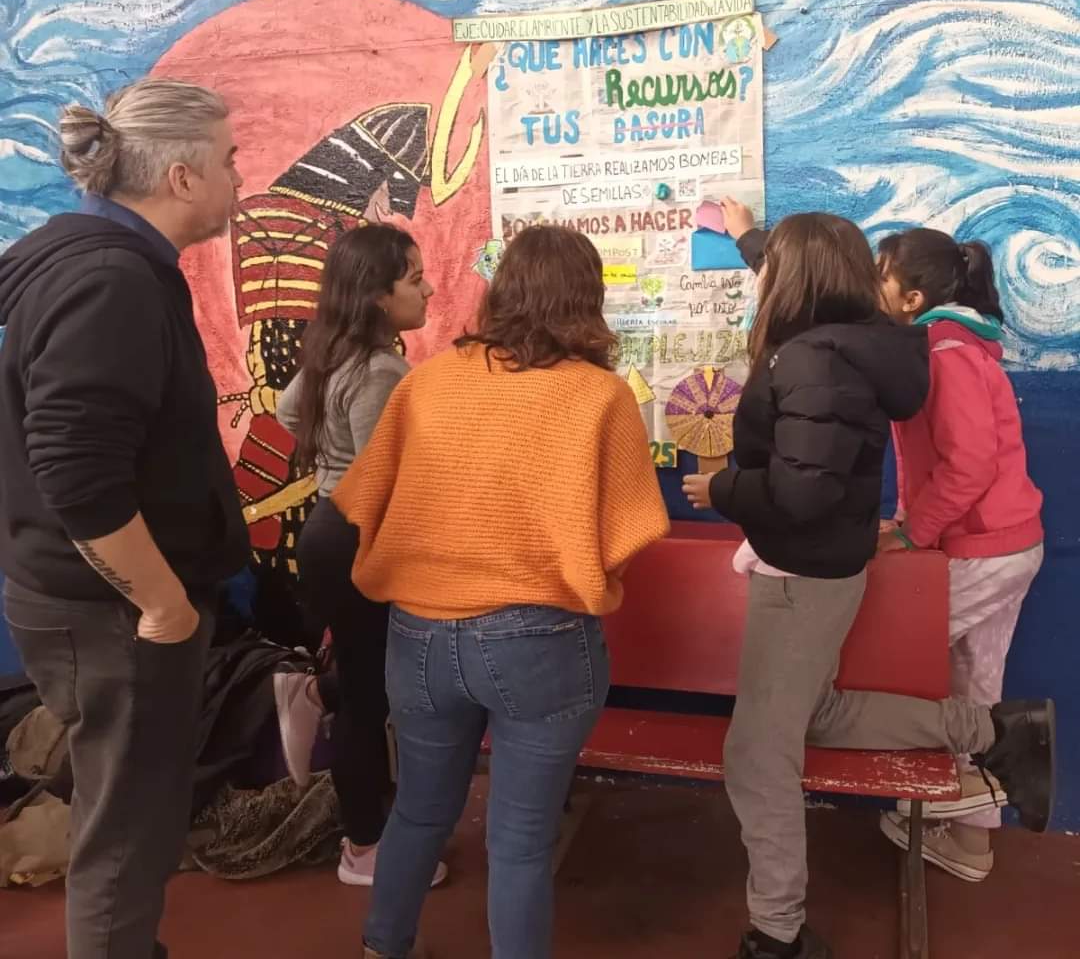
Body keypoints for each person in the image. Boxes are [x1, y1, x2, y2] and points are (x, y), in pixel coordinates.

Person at [683, 206, 1055, 959]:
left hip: (802, 573)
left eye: (772, 267)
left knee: (756, 757)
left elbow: (804, 491)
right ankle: (992, 732)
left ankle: (778, 932)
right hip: (817, 566)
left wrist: (723, 489)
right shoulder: (855, 345)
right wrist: (753, 238)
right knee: (817, 713)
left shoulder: (815, 359)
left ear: (794, 280)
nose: (764, 277)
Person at [331, 224, 670, 959]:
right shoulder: (600, 395)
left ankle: (383, 947)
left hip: (417, 634)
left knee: (419, 811)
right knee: (519, 839)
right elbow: (633, 530)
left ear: (503, 289)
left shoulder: (428, 380)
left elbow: (360, 497)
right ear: (588, 297)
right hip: (538, 639)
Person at [0, 80, 249, 959]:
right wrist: (161, 603)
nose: (239, 176)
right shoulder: (112, 280)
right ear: (182, 178)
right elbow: (77, 471)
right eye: (229, 160)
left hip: (77, 596)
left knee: (128, 810)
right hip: (114, 614)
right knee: (127, 834)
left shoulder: (72, 251)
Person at [272, 224, 446, 889]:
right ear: (378, 295)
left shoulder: (333, 357)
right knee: (372, 700)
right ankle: (365, 849)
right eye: (415, 279)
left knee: (372, 678)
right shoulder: (379, 371)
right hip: (359, 536)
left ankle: (317, 691)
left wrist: (331, 460)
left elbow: (289, 411)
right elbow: (384, 483)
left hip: (330, 529)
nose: (428, 290)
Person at [874, 228, 1045, 881]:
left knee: (895, 662)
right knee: (975, 686)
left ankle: (961, 791)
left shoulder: (945, 351)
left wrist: (912, 533)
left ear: (912, 296)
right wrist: (910, 522)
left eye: (881, 274)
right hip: (1004, 543)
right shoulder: (953, 344)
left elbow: (969, 464)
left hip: (985, 548)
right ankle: (971, 841)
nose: (872, 286)